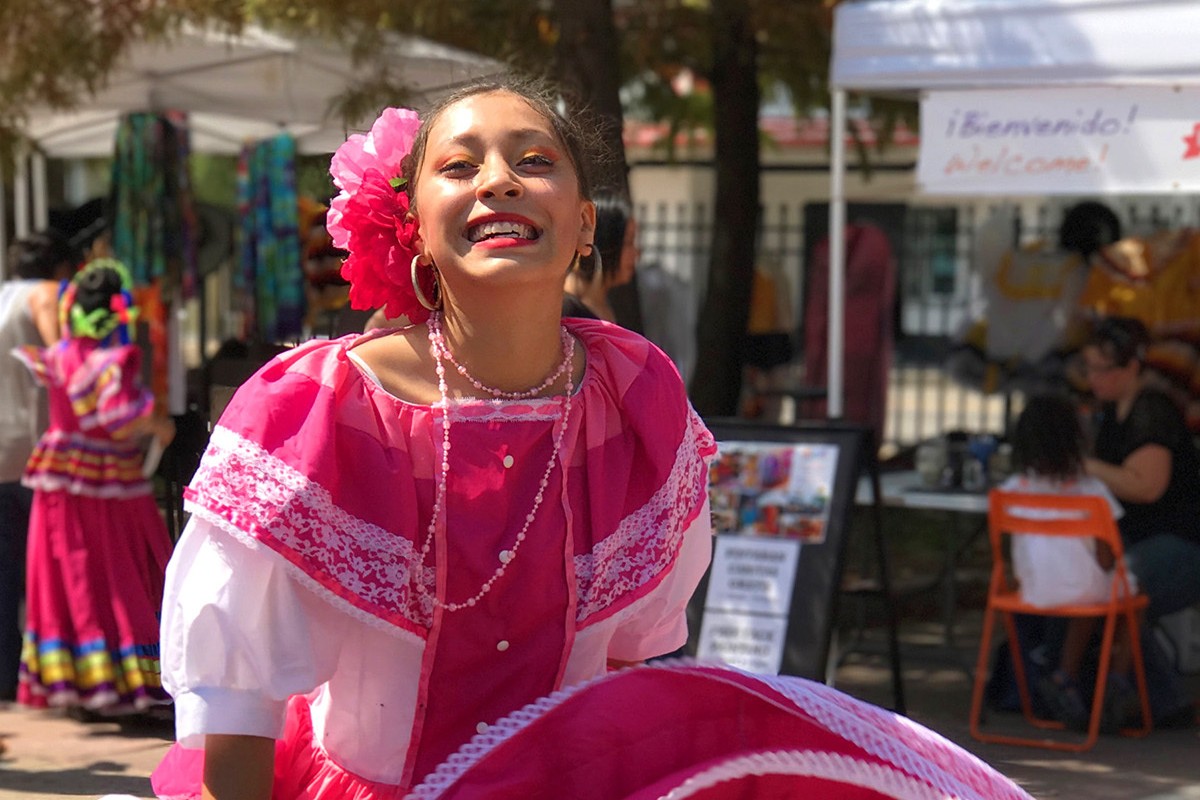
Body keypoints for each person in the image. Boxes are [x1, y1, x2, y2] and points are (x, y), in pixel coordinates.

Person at [13, 258, 176, 715]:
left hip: (58, 478)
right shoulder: (114, 361)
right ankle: (131, 681)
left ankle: (81, 682)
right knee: (119, 572)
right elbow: (117, 419)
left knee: (69, 575)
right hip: (110, 483)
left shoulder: (59, 355)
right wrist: (158, 426)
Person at [1083, 315, 1200, 726]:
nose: (1093, 378)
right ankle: (1161, 700)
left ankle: (1122, 691)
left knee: (1123, 587)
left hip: (1182, 543)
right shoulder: (1112, 412)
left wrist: (1089, 467)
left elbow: (1147, 487)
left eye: (1103, 369)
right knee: (1097, 583)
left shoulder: (1153, 411)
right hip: (1141, 540)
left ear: (1131, 368)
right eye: (1090, 367)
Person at [999, 394, 1132, 731]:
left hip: (1029, 593)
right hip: (1085, 590)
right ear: (1076, 439)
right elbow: (1106, 558)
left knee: (1082, 590)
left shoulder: (1012, 489)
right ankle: (1115, 678)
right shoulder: (1093, 490)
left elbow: (1005, 553)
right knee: (1126, 596)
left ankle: (1065, 678)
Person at [0, 230, 78, 701]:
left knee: (5, 575)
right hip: (33, 452)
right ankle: (52, 682)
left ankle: (7, 679)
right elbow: (67, 358)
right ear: (62, 268)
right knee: (47, 574)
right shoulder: (47, 294)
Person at [561, 189, 639, 322]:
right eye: (628, 242)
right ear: (605, 241)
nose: (636, 253)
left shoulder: (607, 302)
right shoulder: (564, 309)